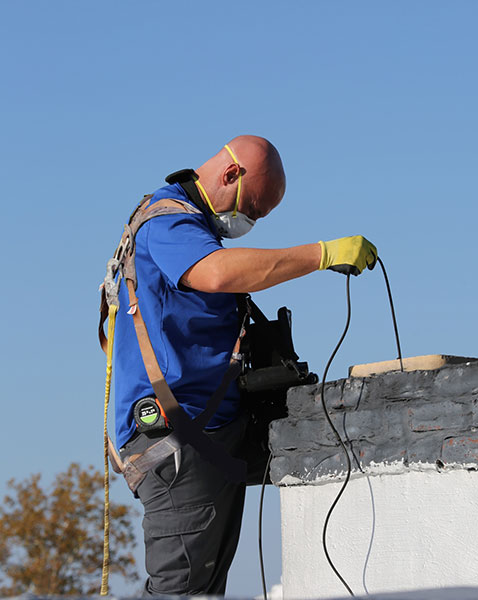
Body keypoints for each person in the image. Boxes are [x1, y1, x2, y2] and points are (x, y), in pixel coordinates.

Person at [114, 135, 377, 596]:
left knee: (202, 591)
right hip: (177, 437)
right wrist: (320, 254)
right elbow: (216, 272)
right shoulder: (167, 222)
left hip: (210, 432)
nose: (250, 222)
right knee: (182, 591)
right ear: (231, 175)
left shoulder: (193, 226)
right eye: (252, 210)